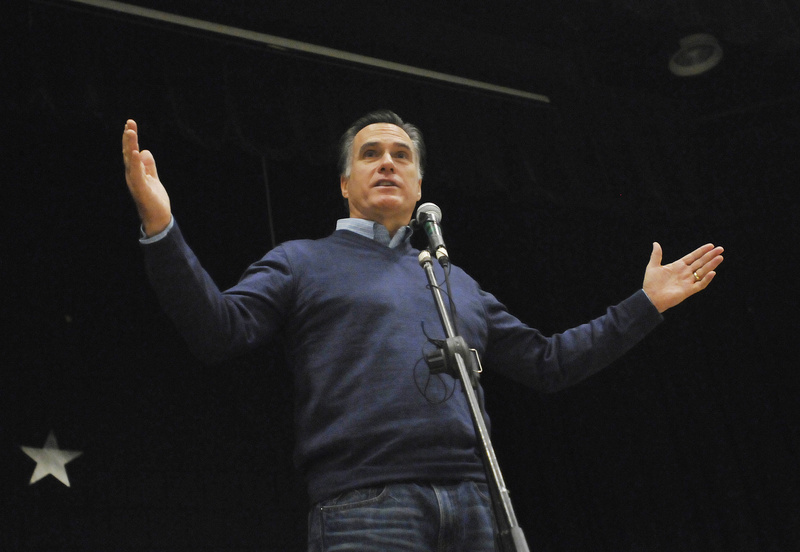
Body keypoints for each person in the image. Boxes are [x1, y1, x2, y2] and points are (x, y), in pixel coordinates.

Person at [122, 110, 724, 551]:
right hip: (365, 506)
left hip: (478, 506)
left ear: (418, 188)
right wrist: (161, 225)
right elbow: (218, 330)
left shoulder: (455, 282)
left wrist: (645, 304)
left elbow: (549, 362)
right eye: (370, 153)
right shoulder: (301, 261)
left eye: (401, 155)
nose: (387, 161)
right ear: (344, 184)